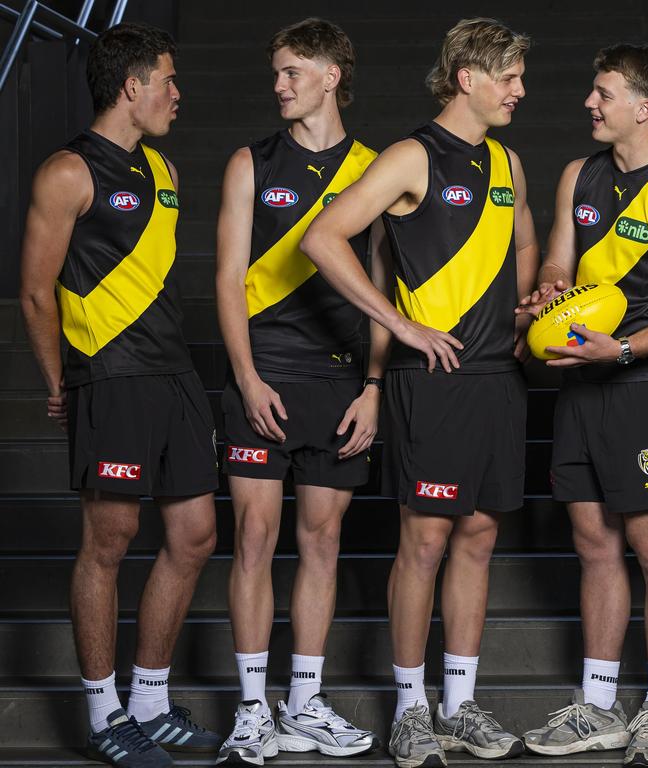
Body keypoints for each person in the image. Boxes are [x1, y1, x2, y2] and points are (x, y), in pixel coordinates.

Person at [301, 17, 537, 768]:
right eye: (510, 76)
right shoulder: (411, 156)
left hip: (497, 377)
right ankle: (412, 709)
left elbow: (523, 241)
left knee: (478, 538)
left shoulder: (508, 163)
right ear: (468, 76)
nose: (520, 90)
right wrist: (395, 323)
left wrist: (528, 307)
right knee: (426, 540)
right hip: (428, 382)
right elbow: (323, 238)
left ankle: (460, 703)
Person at [19, 22, 221, 767]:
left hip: (174, 376)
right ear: (131, 87)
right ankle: (106, 716)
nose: (177, 93)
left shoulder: (165, 171)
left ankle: (150, 703)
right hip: (109, 375)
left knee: (195, 535)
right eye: (167, 80)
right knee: (109, 542)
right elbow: (37, 295)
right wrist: (60, 381)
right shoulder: (67, 172)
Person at [517, 44, 648, 768]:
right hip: (582, 387)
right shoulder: (579, 174)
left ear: (645, 106)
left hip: (647, 390)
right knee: (593, 546)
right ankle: (599, 706)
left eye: (602, 93)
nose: (589, 103)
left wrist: (626, 350)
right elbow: (557, 263)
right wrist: (547, 291)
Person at [213, 18, 381, 765]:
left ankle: (305, 701)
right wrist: (247, 376)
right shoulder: (251, 162)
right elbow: (224, 279)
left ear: (330, 75)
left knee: (322, 540)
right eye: (276, 72)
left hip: (342, 378)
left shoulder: (377, 168)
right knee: (254, 538)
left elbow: (384, 288)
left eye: (291, 72)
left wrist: (374, 386)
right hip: (268, 371)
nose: (279, 84)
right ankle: (253, 708)